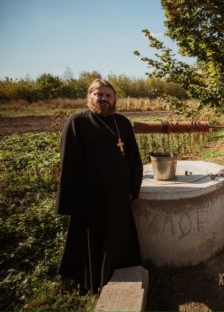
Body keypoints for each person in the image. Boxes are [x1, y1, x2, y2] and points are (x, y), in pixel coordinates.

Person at [55, 79, 143, 294]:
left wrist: (133, 188)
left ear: (114, 99)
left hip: (119, 196)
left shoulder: (121, 122)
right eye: (99, 94)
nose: (103, 98)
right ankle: (91, 282)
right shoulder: (77, 122)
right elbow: (69, 163)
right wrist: (74, 200)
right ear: (90, 97)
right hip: (90, 198)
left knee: (119, 239)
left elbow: (133, 157)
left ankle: (119, 276)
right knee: (92, 242)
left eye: (108, 95)